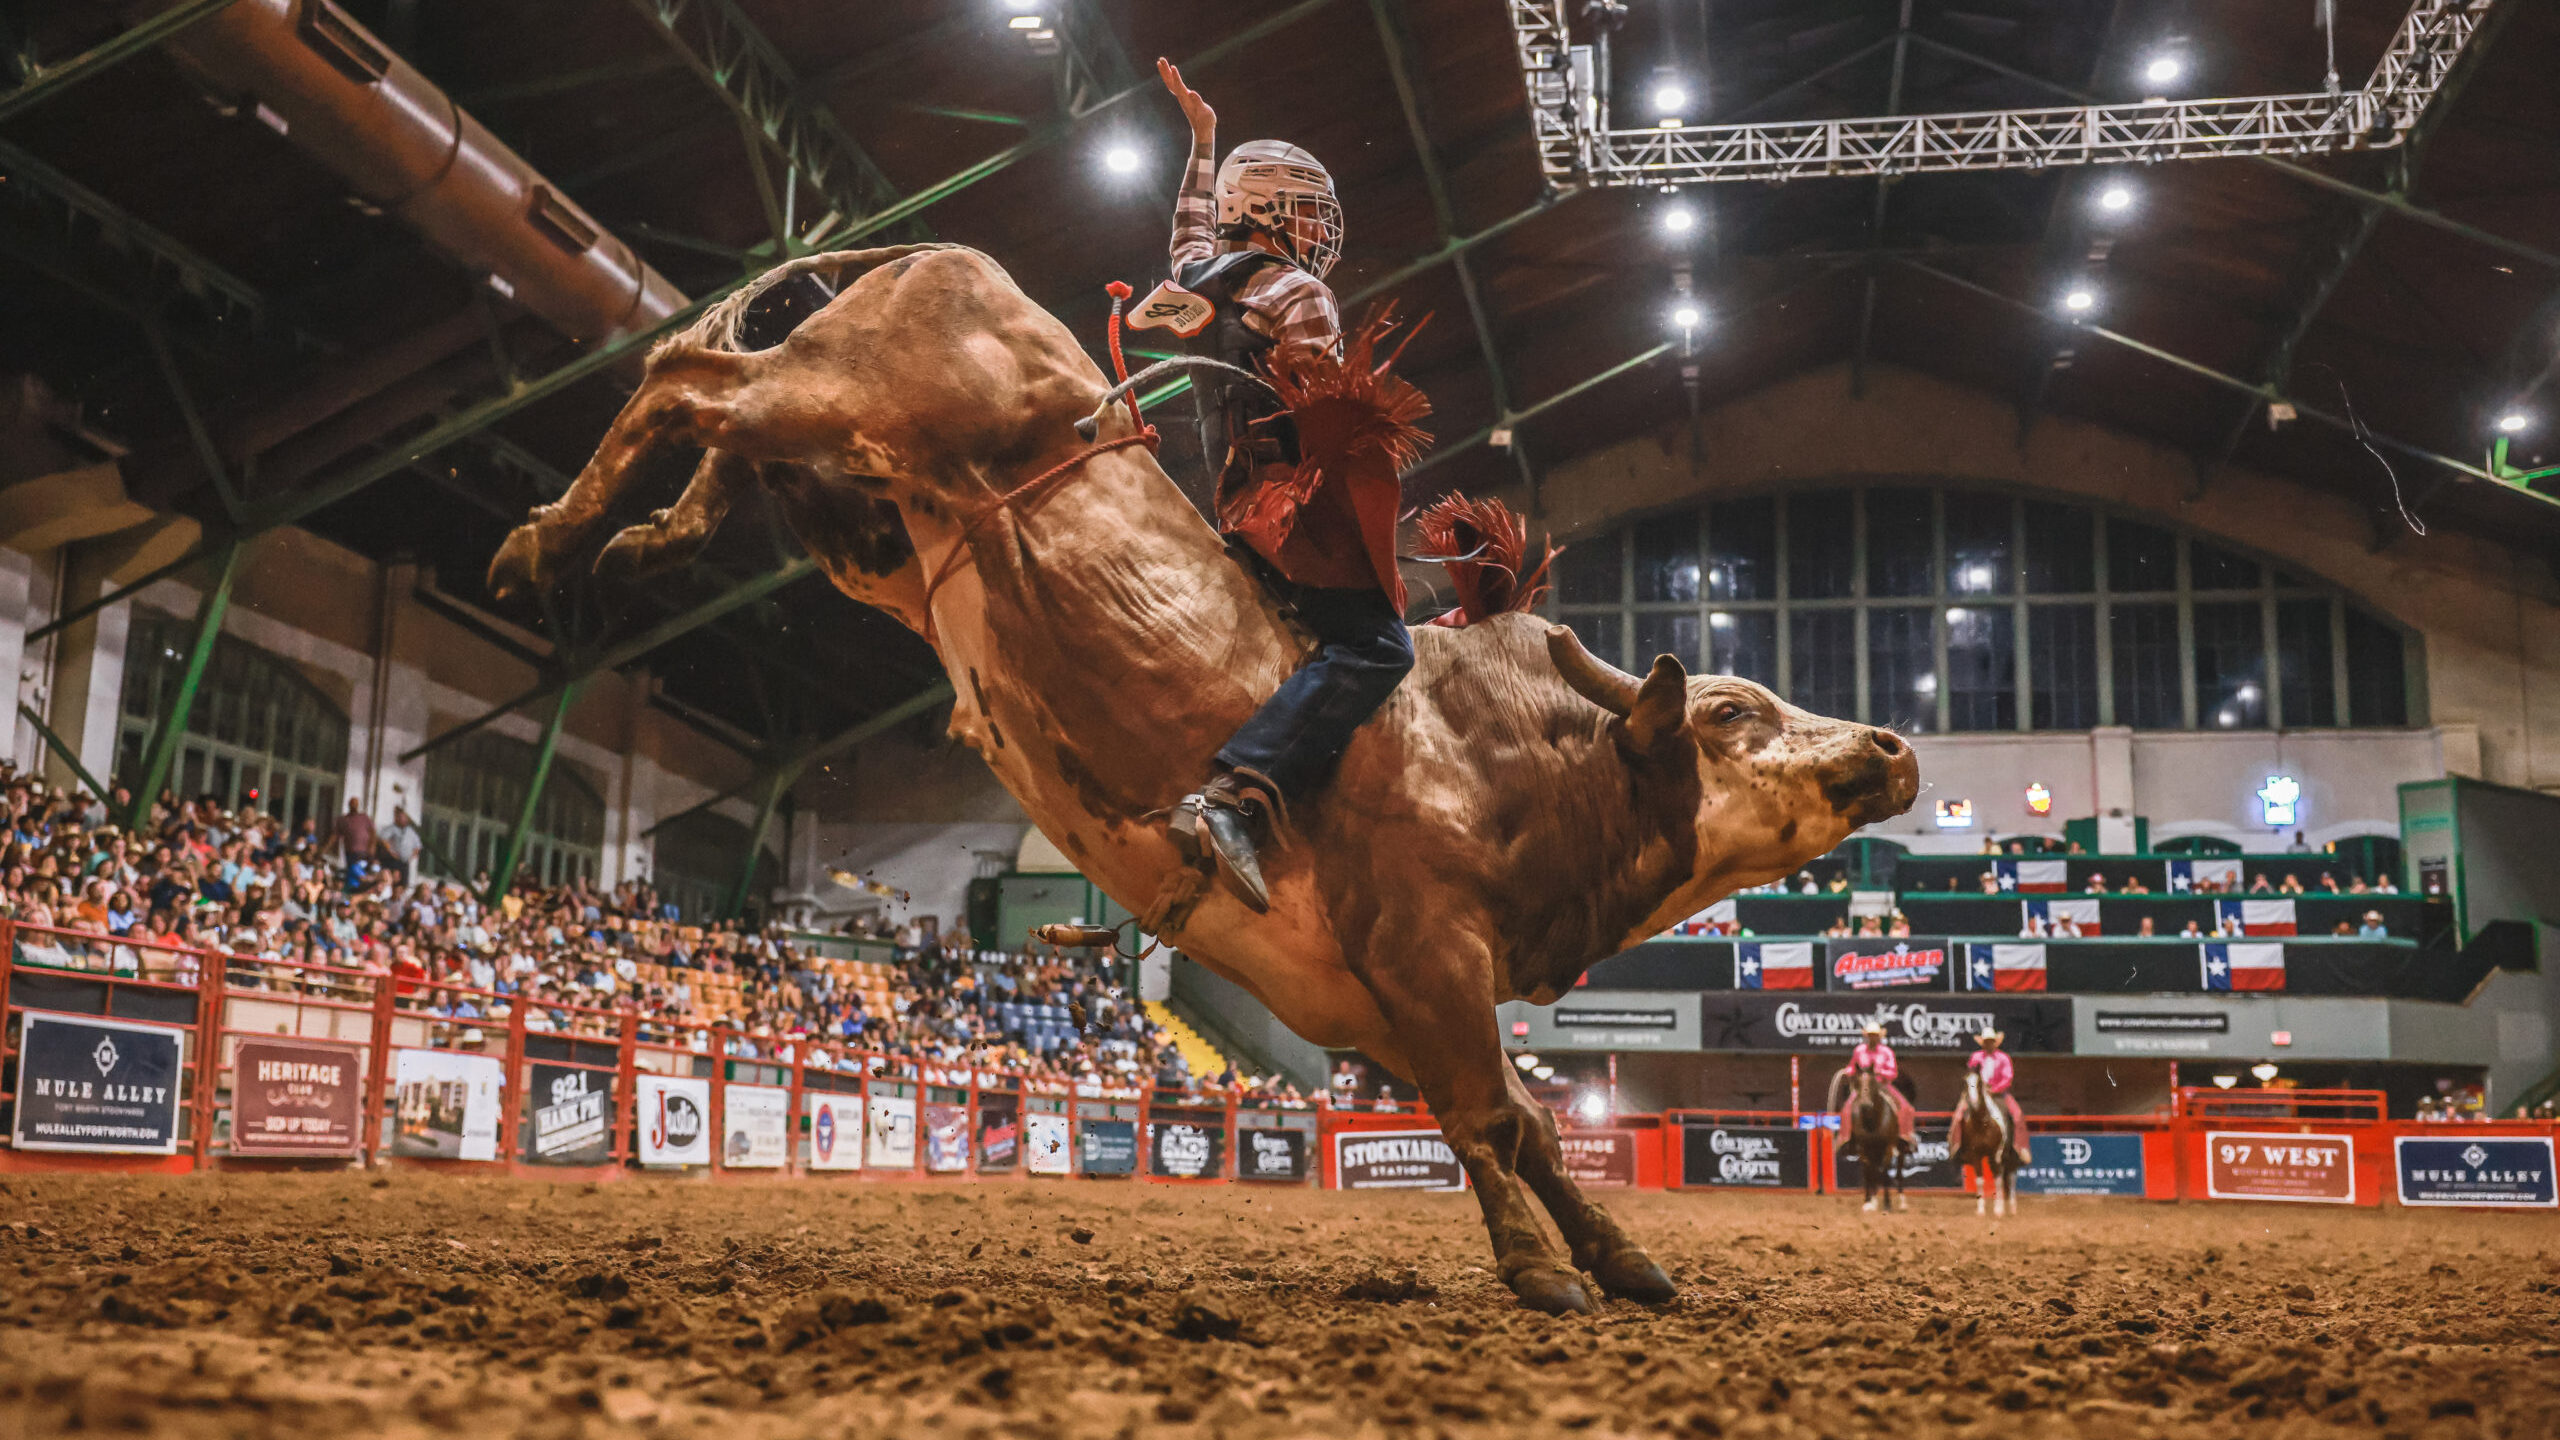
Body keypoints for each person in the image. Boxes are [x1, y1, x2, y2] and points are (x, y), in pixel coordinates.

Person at [1151, 58, 1405, 912]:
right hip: (1281, 514)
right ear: (1270, 212)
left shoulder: (1200, 279)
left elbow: (1187, 238)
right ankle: (1239, 792)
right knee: (1380, 647)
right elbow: (1320, 410)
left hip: (1222, 503)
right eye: (1304, 211)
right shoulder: (1301, 292)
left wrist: (1202, 142)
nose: (1316, 232)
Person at [1831, 1022, 1916, 1143]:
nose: (1872, 1037)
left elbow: (1893, 1072)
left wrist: (1880, 1072)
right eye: (1870, 1035)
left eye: (1875, 1035)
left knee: (1906, 1108)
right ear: (1866, 1036)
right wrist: (1848, 1071)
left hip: (1882, 1086)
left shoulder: (1886, 1052)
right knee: (1846, 1109)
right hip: (1863, 1087)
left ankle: (1905, 1136)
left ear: (1879, 1036)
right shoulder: (1859, 1051)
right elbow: (1852, 1067)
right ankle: (1845, 1138)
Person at [1965, 1029, 2031, 1164]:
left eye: (1991, 1041)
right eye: (1986, 1041)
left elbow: (2008, 1078)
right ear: (1983, 1043)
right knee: (1960, 1114)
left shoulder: (2003, 1058)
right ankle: (1957, 1147)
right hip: (1977, 1092)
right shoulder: (1976, 1057)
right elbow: (1970, 1074)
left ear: (1995, 1043)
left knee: (2017, 1115)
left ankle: (2019, 1148)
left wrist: (1994, 1089)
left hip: (1999, 1094)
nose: (1989, 1044)